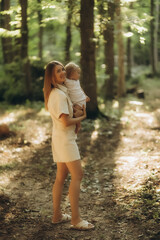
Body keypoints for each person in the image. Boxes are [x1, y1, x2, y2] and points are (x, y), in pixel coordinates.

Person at [43, 60, 94, 230]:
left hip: (60, 139)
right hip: (65, 141)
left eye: (63, 69)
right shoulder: (58, 95)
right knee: (78, 175)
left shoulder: (58, 91)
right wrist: (82, 117)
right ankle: (76, 219)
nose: (63, 72)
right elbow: (65, 122)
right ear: (51, 77)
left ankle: (57, 215)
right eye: (58, 71)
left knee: (61, 177)